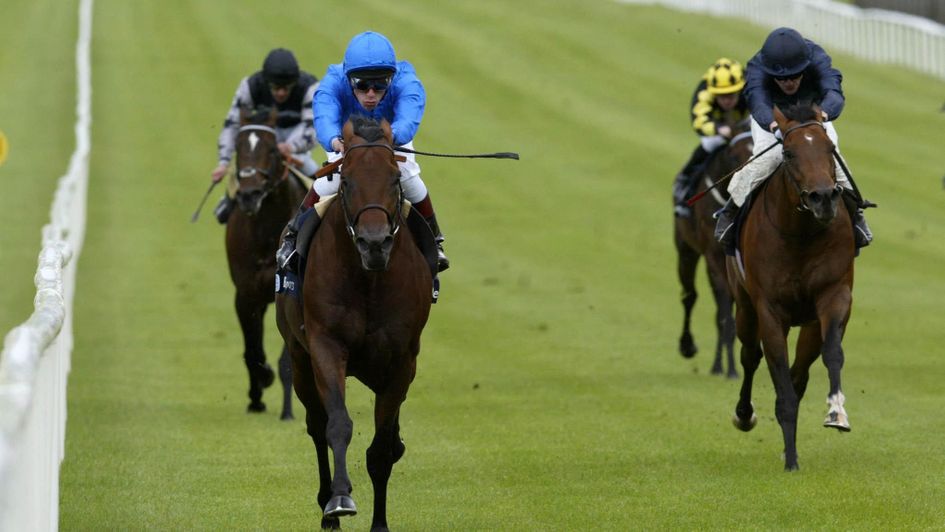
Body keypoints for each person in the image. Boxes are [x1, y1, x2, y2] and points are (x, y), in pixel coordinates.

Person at [276, 31, 450, 272]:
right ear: (348, 78)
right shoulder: (333, 81)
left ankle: (435, 240)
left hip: (390, 141)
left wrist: (387, 138)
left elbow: (409, 119)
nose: (371, 94)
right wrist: (335, 141)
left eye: (380, 85)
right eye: (362, 85)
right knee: (329, 183)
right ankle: (292, 239)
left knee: (409, 179)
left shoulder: (407, 81)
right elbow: (325, 115)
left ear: (392, 77)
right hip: (347, 141)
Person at [714, 27, 872, 249]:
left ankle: (856, 216)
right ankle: (730, 212)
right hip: (774, 119)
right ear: (771, 72)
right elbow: (757, 102)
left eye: (795, 76)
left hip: (814, 116)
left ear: (804, 66)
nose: (789, 83)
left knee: (835, 162)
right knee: (765, 162)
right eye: (781, 79)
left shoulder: (816, 57)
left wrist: (823, 115)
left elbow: (834, 92)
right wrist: (775, 126)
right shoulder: (757, 68)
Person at [210, 48, 320, 223]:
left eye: (287, 88)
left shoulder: (310, 87)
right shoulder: (251, 85)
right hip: (263, 137)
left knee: (311, 169)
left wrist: (290, 147)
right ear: (266, 81)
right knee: (246, 169)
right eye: (276, 87)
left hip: (296, 138)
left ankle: (320, 200)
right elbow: (232, 124)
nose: (281, 93)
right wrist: (223, 162)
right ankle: (229, 202)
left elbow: (313, 126)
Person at [673, 57, 749, 217]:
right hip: (720, 125)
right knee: (710, 144)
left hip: (747, 120)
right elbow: (699, 121)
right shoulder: (704, 92)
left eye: (731, 94)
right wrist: (718, 128)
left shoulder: (750, 85)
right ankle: (685, 184)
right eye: (721, 96)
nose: (727, 100)